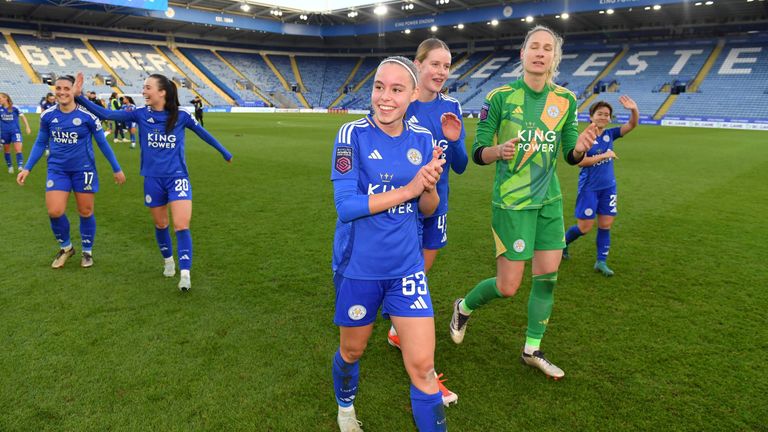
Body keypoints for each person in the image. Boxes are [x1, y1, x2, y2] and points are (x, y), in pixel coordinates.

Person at [448, 26, 599, 380]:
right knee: (508, 286)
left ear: (554, 58)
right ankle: (464, 306)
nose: (541, 53)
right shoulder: (500, 96)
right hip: (512, 204)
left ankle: (532, 349)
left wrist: (580, 149)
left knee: (547, 278)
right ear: (523, 53)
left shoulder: (565, 100)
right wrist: (497, 151)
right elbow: (477, 151)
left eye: (548, 48)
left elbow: (569, 152)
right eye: (535, 46)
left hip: (549, 202)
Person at [331, 56, 447, 431]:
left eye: (397, 90)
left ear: (413, 94)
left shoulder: (424, 139)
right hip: (359, 267)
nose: (384, 97)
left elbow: (428, 209)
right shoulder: (352, 135)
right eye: (379, 87)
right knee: (352, 351)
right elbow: (347, 207)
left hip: (406, 268)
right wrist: (410, 188)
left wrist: (427, 187)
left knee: (424, 368)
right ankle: (346, 407)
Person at [73, 72, 232, 291]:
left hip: (178, 178)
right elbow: (106, 113)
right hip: (152, 180)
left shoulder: (182, 116)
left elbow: (203, 134)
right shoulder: (139, 113)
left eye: (148, 87)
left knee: (181, 225)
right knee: (161, 224)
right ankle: (168, 260)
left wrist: (224, 152)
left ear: (162, 92)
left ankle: (185, 273)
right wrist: (79, 97)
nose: (143, 92)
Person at [386, 38, 467, 406]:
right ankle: (421, 364)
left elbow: (462, 164)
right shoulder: (402, 103)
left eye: (446, 66)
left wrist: (454, 139)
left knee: (420, 270)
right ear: (417, 64)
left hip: (438, 205)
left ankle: (396, 328)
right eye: (434, 64)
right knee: (411, 279)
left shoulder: (451, 106)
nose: (440, 72)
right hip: (404, 205)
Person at [17, 75, 125, 268]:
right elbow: (41, 142)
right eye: (58, 88)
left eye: (66, 88)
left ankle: (87, 251)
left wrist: (116, 168)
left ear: (73, 90)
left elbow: (102, 144)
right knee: (55, 211)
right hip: (57, 170)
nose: (62, 92)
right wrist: (27, 168)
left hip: (83, 170)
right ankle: (66, 248)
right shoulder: (48, 116)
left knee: (85, 211)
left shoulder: (88, 117)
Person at [563, 96, 639, 277]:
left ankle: (601, 261)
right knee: (584, 228)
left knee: (606, 225)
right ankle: (562, 245)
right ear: (591, 116)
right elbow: (580, 162)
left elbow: (632, 125)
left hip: (608, 188)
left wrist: (634, 110)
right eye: (600, 114)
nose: (603, 117)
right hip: (589, 188)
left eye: (607, 115)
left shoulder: (610, 134)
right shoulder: (584, 137)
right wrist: (605, 155)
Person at [0, 93, 31, 174]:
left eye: (0, 98)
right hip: (4, 133)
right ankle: (10, 167)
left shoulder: (15, 107)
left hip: (15, 131)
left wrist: (27, 127)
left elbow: (23, 117)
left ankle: (20, 166)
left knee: (18, 149)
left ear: (5, 98)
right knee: (6, 151)